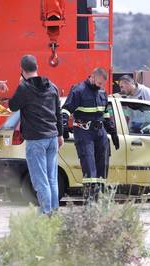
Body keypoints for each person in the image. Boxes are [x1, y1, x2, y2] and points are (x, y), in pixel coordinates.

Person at [9, 55, 64, 215]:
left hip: (36, 139)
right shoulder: (52, 86)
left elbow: (13, 106)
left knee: (40, 179)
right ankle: (53, 211)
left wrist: (20, 85)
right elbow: (58, 112)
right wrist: (60, 134)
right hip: (52, 137)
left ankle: (46, 213)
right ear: (37, 66)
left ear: (22, 69)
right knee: (52, 178)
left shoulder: (24, 88)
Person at [61, 68, 119, 202]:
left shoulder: (102, 93)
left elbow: (105, 114)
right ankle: (90, 202)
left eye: (102, 84)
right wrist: (63, 125)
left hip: (100, 133)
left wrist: (113, 131)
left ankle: (101, 200)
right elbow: (66, 109)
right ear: (92, 77)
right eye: (98, 83)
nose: (100, 86)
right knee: (89, 167)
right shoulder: (78, 90)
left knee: (102, 167)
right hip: (84, 132)